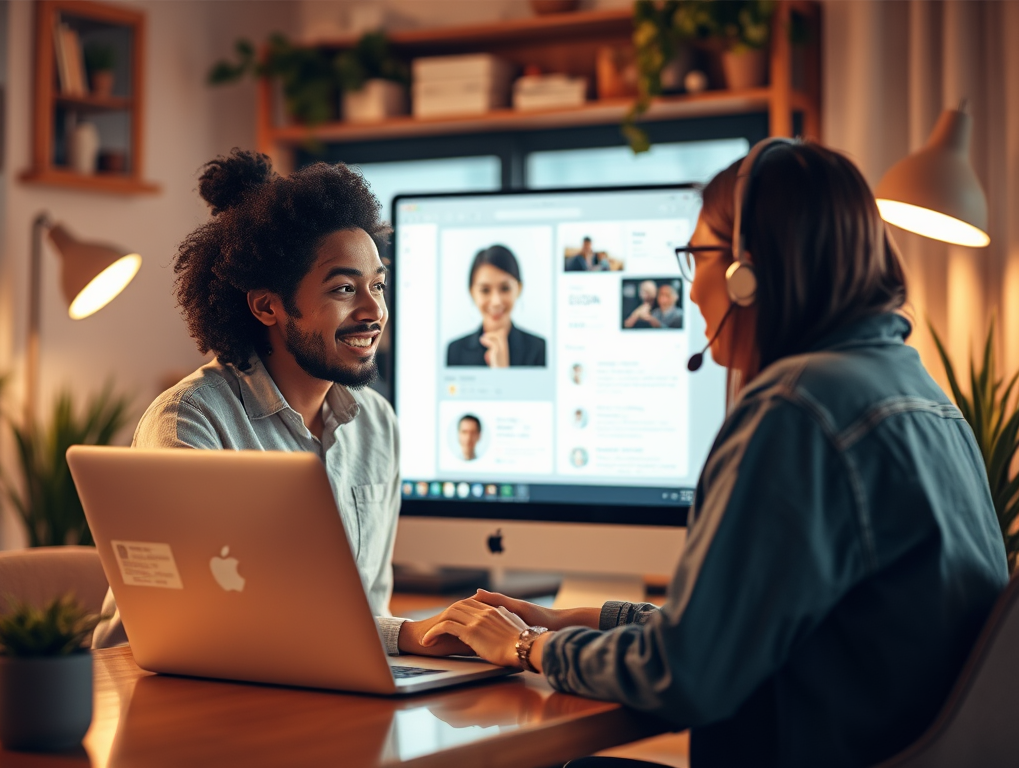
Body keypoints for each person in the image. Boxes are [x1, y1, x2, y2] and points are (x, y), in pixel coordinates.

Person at [416, 140, 1009, 768]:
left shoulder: (796, 409)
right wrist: (572, 621)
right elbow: (742, 624)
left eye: (696, 255)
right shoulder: (919, 393)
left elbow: (687, 674)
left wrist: (526, 648)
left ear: (745, 274)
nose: (692, 288)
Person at [93, 149, 467, 659]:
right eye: (344, 288)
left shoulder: (377, 423)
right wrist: (406, 634)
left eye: (378, 285)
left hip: (333, 684)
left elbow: (369, 600)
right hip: (172, 694)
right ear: (267, 306)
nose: (373, 310)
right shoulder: (189, 423)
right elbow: (208, 620)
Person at [446, 245, 546, 367]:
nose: (496, 301)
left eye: (505, 288)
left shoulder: (540, 350)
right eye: (485, 290)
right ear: (472, 292)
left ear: (519, 289)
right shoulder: (455, 351)